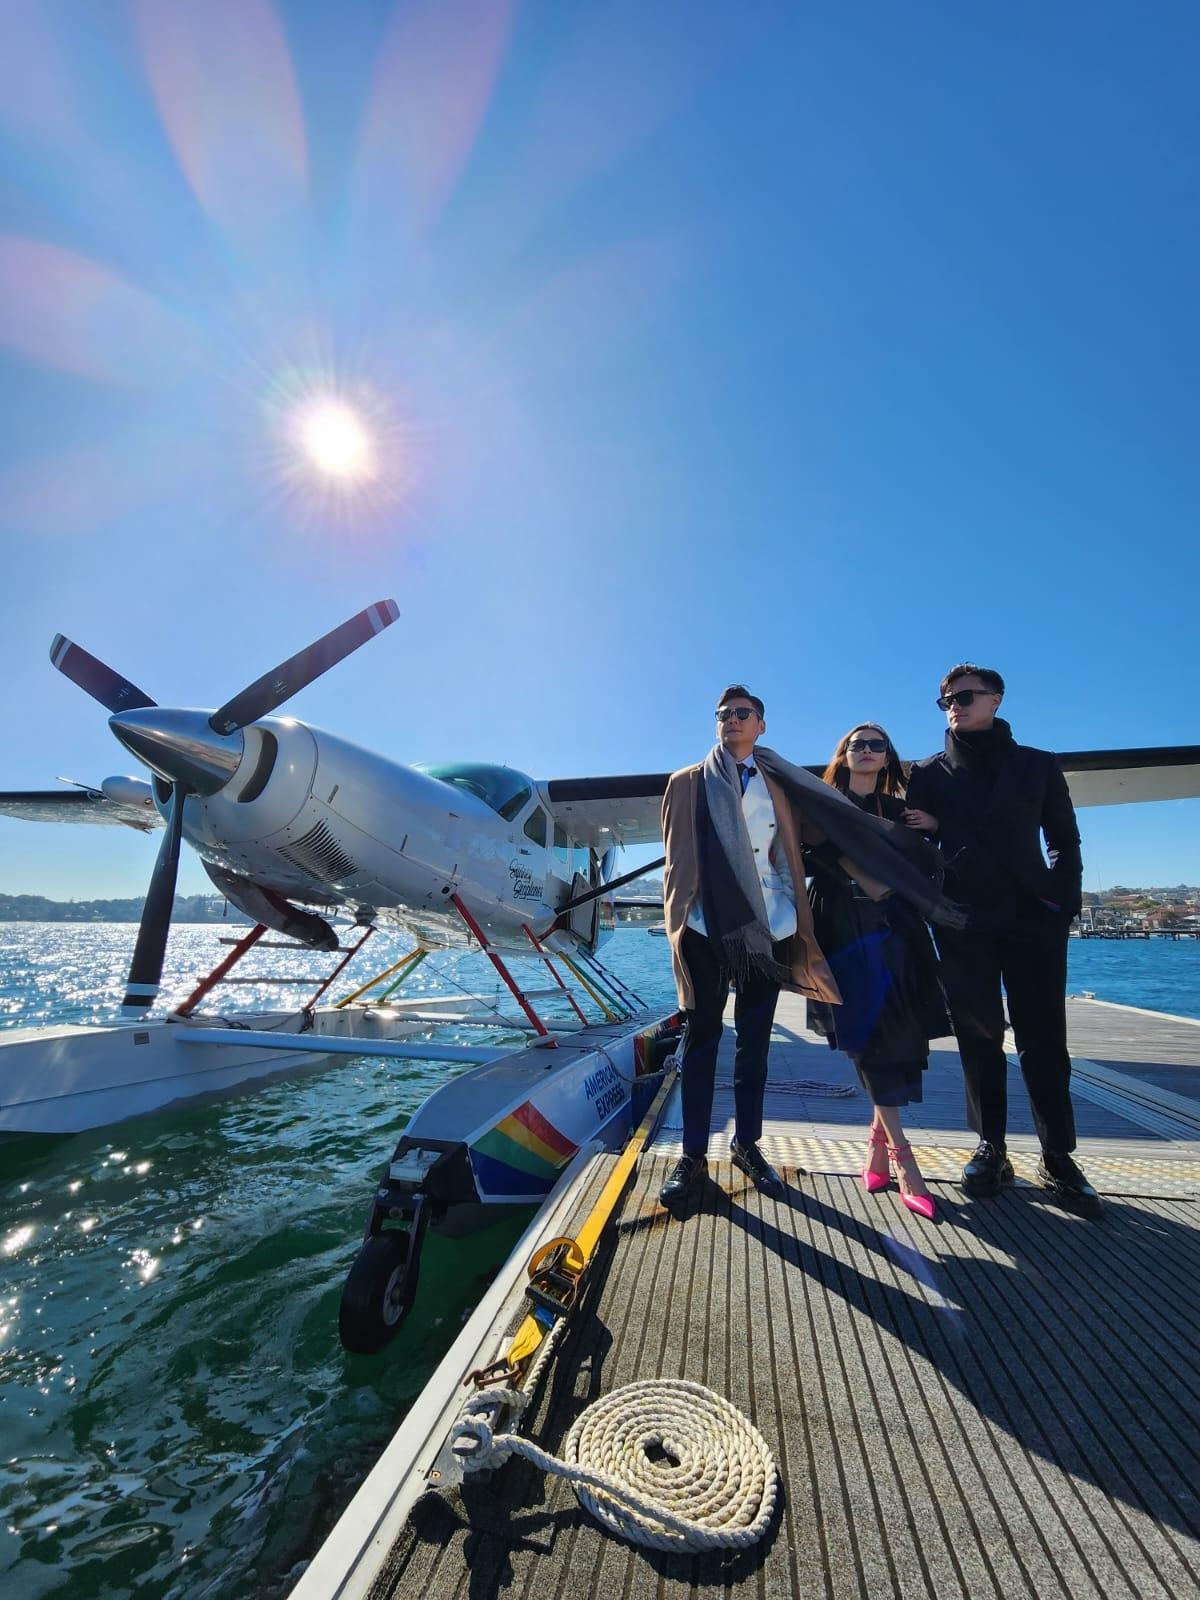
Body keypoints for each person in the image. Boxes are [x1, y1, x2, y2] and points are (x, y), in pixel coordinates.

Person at [658, 687, 967, 1211]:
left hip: (771, 927)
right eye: (722, 715)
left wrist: (923, 835)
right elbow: (675, 861)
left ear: (761, 725)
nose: (730, 721)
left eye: (742, 714)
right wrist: (678, 929)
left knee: (754, 1043)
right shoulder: (686, 782)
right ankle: (690, 1157)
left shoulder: (780, 782)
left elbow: (827, 833)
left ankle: (747, 1145)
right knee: (702, 1041)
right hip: (708, 928)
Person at [903, 664, 1101, 1217]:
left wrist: (1062, 902)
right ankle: (991, 1146)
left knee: (1043, 1037)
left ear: (996, 699)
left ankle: (1058, 1155)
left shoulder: (1038, 765)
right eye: (944, 699)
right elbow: (920, 851)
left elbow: (1064, 838)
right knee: (979, 1037)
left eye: (964, 696)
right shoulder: (929, 774)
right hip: (964, 920)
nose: (952, 706)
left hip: (1033, 918)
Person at [807, 723, 952, 1220]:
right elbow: (801, 857)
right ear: (843, 755)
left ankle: (874, 1141)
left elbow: (932, 866)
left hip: (897, 931)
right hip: (843, 930)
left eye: (876, 745)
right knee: (866, 1037)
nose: (866, 751)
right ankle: (904, 1160)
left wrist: (933, 826)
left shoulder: (901, 813)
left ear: (887, 756)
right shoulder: (821, 805)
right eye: (857, 745)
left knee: (898, 1034)